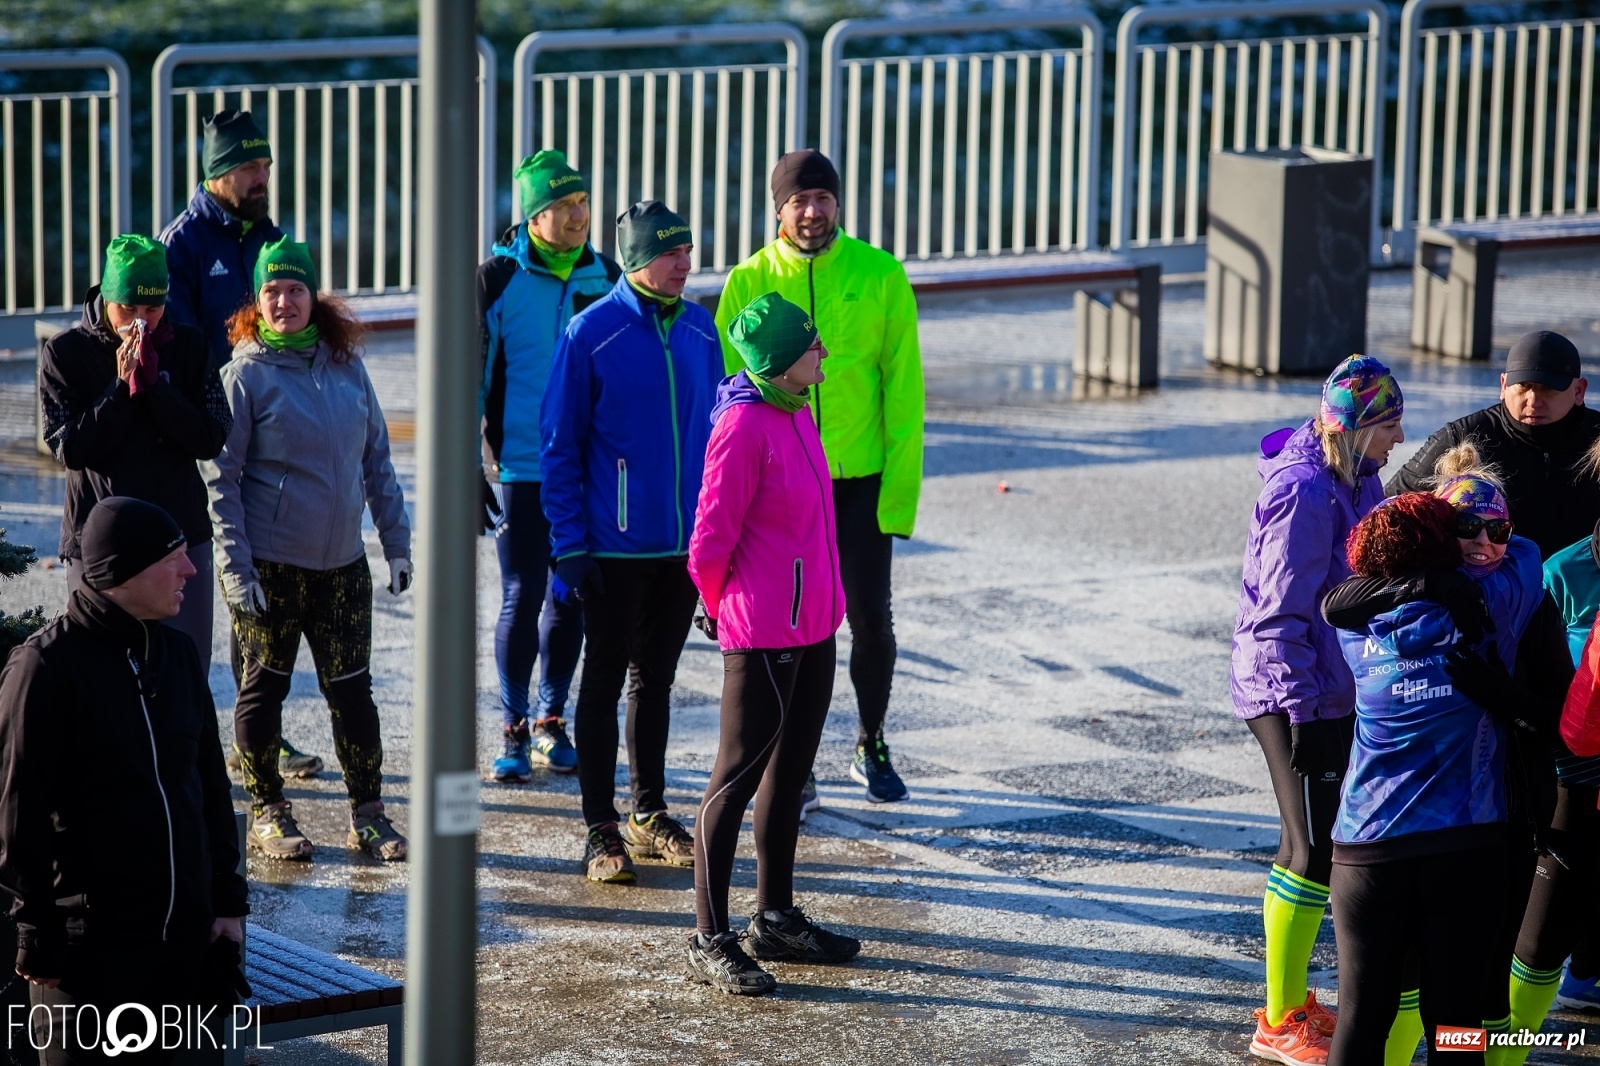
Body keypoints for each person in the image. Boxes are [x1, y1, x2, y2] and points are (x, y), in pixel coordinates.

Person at [1324, 452, 1573, 1066]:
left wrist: (1424, 568)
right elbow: (1531, 556)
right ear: (1440, 536)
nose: (1486, 543)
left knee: (1362, 1016)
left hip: (1362, 848)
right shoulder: (1507, 601)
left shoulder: (1361, 630)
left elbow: (1339, 596)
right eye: (1468, 528)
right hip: (1464, 844)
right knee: (1456, 1024)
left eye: (1498, 530)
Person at [0, 497, 248, 1064]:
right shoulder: (44, 669)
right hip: (90, 960)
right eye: (176, 558)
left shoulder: (179, 656)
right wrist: (36, 931)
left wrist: (228, 905)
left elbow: (210, 787)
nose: (191, 571)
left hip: (187, 953)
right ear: (123, 571)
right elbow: (19, 815)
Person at [714, 149, 924, 809]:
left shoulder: (881, 273)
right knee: (790, 631)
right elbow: (730, 396)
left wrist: (898, 498)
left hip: (857, 480)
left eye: (823, 199)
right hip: (779, 490)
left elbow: (906, 391)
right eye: (799, 200)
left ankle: (871, 737)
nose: (812, 211)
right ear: (778, 207)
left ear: (838, 203)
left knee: (870, 619)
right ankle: (792, 763)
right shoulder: (748, 280)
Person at [203, 237, 411, 863]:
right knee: (263, 691)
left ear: (313, 298)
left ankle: (367, 815)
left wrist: (396, 544)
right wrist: (236, 571)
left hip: (342, 567)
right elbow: (221, 481)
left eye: (295, 290)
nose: (284, 302)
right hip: (271, 567)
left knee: (353, 693)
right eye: (272, 291)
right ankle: (268, 809)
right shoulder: (245, 376)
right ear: (257, 301)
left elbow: (377, 459)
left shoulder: (346, 366)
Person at [1229, 355, 1406, 1064]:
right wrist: (1303, 713)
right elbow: (1277, 617)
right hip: (1289, 687)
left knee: (1311, 844)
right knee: (1309, 851)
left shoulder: (1357, 475)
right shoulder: (1304, 490)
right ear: (1358, 425)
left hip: (1331, 684)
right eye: (1391, 424)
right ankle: (1277, 1021)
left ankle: (1290, 1001)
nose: (1399, 438)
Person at [541, 200, 722, 883]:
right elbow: (559, 445)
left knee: (658, 681)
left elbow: (719, 440)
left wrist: (717, 538)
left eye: (688, 249)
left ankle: (648, 812)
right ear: (639, 257)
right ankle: (599, 829)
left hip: (683, 549)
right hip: (612, 549)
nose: (685, 262)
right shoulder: (592, 333)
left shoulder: (704, 330)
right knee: (603, 684)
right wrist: (569, 545)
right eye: (671, 252)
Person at [684, 293, 859, 995]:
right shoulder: (745, 425)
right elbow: (708, 543)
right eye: (811, 344)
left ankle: (776, 917)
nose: (822, 352)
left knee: (788, 779)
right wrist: (719, 608)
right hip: (761, 632)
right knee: (734, 780)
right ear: (781, 360)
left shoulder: (797, 410)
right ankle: (709, 935)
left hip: (816, 624)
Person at [159, 107, 323, 779]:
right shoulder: (184, 243)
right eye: (250, 167)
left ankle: (262, 726)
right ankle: (215, 728)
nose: (262, 178)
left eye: (266, 166)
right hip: (214, 433)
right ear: (218, 173)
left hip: (272, 432)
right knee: (236, 580)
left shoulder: (274, 238)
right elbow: (183, 348)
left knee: (270, 581)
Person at [478, 150, 620, 782]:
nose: (577, 216)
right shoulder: (496, 280)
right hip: (523, 468)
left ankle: (549, 719)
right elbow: (470, 379)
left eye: (583, 203)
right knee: (522, 591)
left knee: (573, 596)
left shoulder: (607, 276)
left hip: (586, 471)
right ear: (533, 216)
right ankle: (511, 724)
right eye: (563, 206)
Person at [39, 234, 228, 677]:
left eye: (152, 309)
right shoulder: (65, 353)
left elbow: (212, 436)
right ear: (106, 298)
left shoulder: (189, 346)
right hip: (100, 536)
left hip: (179, 528)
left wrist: (157, 387)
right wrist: (122, 388)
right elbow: (70, 447)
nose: (140, 323)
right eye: (128, 310)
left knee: (184, 671)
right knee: (100, 676)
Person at [1387, 330, 1600, 554]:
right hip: (1482, 585)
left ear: (1579, 391)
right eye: (1524, 386)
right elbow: (1384, 509)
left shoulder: (1596, 439)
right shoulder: (1462, 438)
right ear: (1503, 386)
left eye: (1548, 389)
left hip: (1581, 585)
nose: (1534, 401)